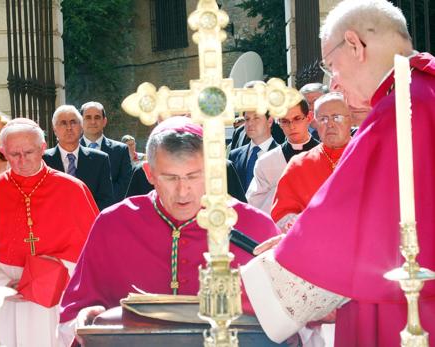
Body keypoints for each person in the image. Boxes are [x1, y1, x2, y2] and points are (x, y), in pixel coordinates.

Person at [241, 1, 435, 346]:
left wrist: (290, 249)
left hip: (409, 308)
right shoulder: (424, 91)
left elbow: (348, 224)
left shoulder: (399, 110)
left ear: (355, 45)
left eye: (332, 65)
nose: (336, 82)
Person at [58, 116, 281, 345]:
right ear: (149, 173)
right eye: (170, 178)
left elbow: (291, 322)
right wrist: (83, 322)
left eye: (193, 176)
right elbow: (73, 313)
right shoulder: (113, 225)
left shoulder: (255, 227)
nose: (183, 191)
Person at [0, 118, 99, 347]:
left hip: (54, 298)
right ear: (2, 151)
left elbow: (93, 252)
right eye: (14, 154)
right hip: (4, 299)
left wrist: (53, 274)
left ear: (43, 147)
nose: (22, 160)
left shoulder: (72, 189)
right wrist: (0, 282)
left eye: (29, 152)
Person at [271, 92, 352, 231]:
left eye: (336, 117)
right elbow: (281, 216)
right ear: (315, 123)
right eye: (323, 119)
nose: (330, 124)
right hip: (315, 246)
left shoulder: (371, 157)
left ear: (351, 119)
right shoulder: (298, 165)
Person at [246, 99, 319, 213]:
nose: (292, 126)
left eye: (297, 119)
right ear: (278, 123)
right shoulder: (267, 162)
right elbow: (254, 206)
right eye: (285, 121)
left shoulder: (325, 155)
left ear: (309, 117)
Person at [44, 105, 114, 210]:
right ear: (54, 129)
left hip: (89, 222)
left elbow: (106, 200)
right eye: (63, 123)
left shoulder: (100, 160)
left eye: (73, 122)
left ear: (81, 127)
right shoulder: (43, 160)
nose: (69, 127)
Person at [229, 81, 279, 191]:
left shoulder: (280, 134)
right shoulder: (238, 135)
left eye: (256, 118)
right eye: (247, 119)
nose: (251, 123)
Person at [80, 101, 132, 202]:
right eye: (88, 117)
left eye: (97, 117)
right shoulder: (71, 150)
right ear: (81, 122)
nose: (93, 122)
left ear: (104, 121)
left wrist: (104, 206)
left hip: (110, 211)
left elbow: (125, 184)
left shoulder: (121, 151)